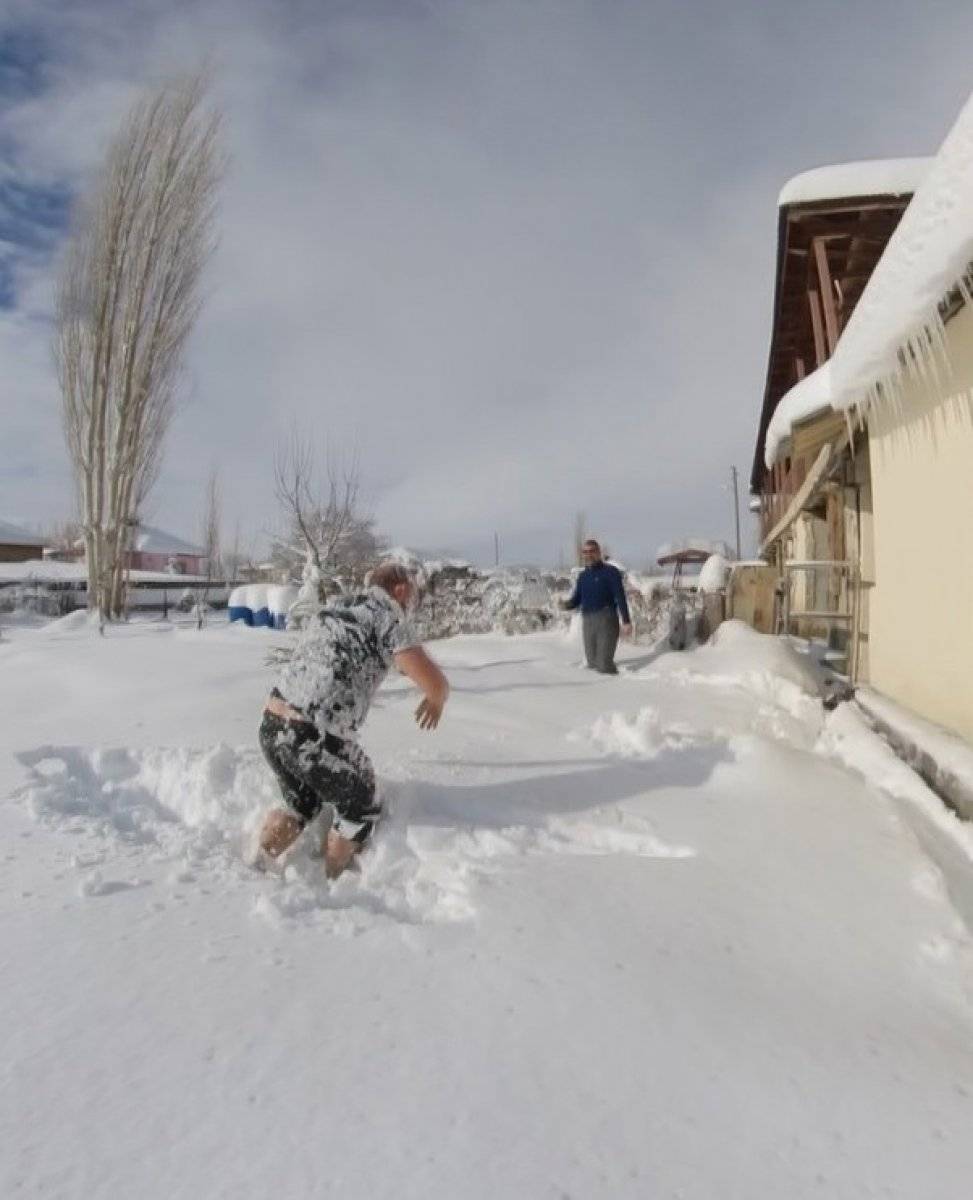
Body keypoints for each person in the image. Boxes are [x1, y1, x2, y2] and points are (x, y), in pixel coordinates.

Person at [255, 561, 449, 878]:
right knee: (362, 802)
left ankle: (258, 865)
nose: (410, 606)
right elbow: (435, 683)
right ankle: (333, 882)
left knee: (301, 803)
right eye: (410, 598)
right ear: (399, 590)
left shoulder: (336, 607)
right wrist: (436, 699)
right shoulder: (387, 615)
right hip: (312, 733)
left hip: (272, 723)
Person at [561, 539, 632, 674]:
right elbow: (577, 599)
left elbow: (620, 596)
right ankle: (597, 693)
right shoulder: (583, 576)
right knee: (592, 661)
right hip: (588, 621)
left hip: (606, 619)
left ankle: (614, 689)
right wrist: (565, 605)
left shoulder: (610, 572)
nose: (589, 555)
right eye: (585, 552)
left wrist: (626, 621)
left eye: (592, 551)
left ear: (599, 552)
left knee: (603, 664)